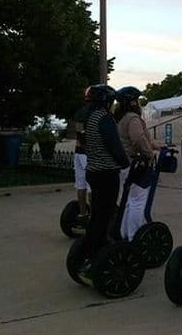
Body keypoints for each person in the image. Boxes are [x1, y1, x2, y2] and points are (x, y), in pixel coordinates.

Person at [81, 84, 130, 270]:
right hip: (107, 173)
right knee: (106, 214)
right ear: (106, 101)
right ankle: (99, 250)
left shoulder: (90, 117)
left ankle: (90, 249)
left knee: (97, 214)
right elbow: (114, 146)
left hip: (93, 171)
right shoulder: (105, 119)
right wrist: (125, 163)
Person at [114, 86, 164, 241]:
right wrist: (149, 154)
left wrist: (155, 144)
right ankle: (134, 237)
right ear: (133, 102)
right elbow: (137, 139)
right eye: (137, 100)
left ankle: (124, 234)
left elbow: (139, 139)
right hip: (135, 165)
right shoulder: (133, 118)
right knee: (138, 202)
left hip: (124, 164)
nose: (139, 104)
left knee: (129, 201)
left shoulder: (120, 118)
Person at [73, 131, 89, 225]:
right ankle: (93, 216)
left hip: (78, 150)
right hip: (87, 151)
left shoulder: (80, 120)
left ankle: (82, 214)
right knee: (92, 185)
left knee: (81, 186)